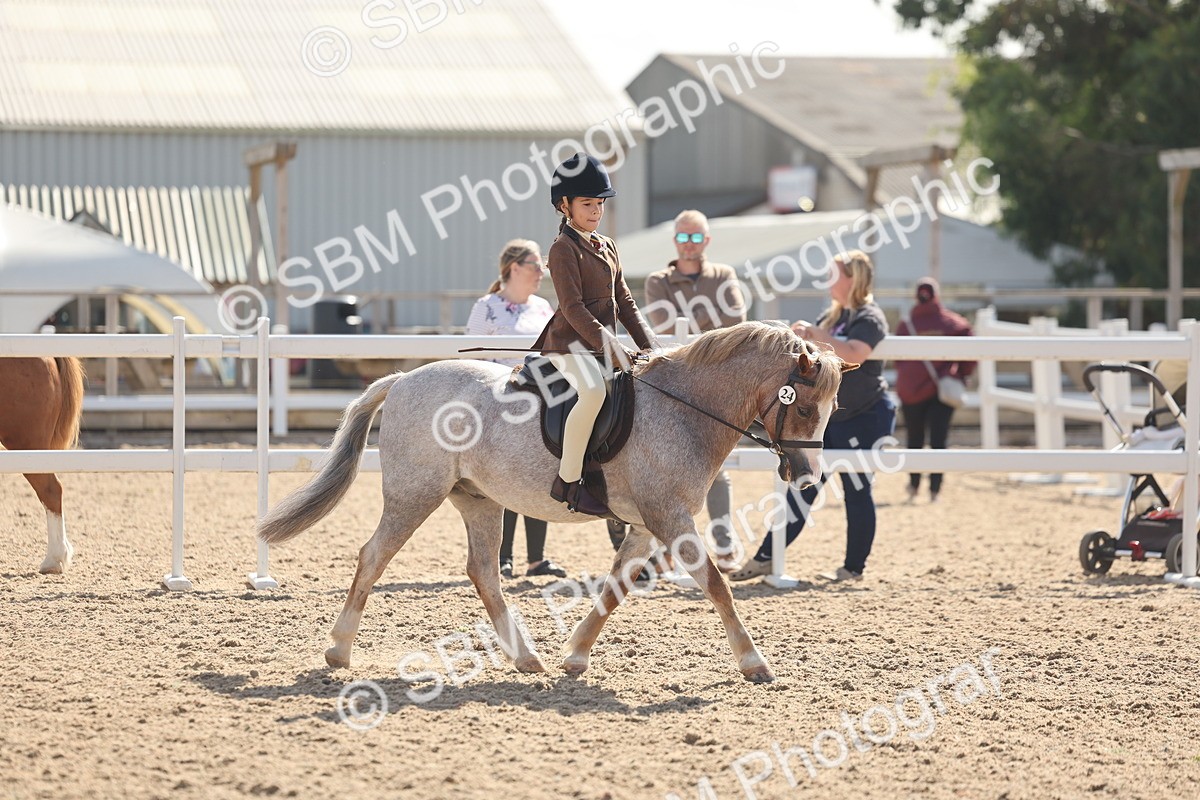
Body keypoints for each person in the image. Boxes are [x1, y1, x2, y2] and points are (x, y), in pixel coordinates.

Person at [730, 250, 895, 583]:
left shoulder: (869, 317)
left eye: (834, 274)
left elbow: (856, 353)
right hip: (829, 417)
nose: (828, 280)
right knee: (803, 485)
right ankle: (766, 557)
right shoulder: (832, 316)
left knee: (857, 490)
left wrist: (817, 334)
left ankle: (853, 568)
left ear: (853, 278)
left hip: (864, 415)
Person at [608, 209, 746, 571]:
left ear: (707, 240)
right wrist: (713, 326)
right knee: (660, 468)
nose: (689, 244)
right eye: (683, 237)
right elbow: (664, 323)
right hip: (671, 383)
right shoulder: (659, 280)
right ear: (675, 241)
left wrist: (695, 331)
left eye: (696, 237)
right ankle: (664, 550)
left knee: (714, 466)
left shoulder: (723, 274)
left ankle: (722, 541)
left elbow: (736, 321)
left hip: (715, 386)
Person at [532, 153, 657, 518]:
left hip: (601, 347)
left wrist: (652, 347)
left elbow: (626, 302)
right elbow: (572, 308)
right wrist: (611, 343)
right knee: (593, 393)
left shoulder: (607, 245)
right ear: (565, 205)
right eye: (587, 203)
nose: (596, 210)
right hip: (568, 346)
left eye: (600, 203)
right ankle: (568, 481)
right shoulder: (562, 248)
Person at [465, 239, 566, 579]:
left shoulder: (542, 308)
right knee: (504, 476)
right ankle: (503, 557)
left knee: (539, 473)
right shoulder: (486, 307)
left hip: (539, 400)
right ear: (514, 268)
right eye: (536, 265)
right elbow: (471, 358)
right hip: (498, 402)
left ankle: (536, 559)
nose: (541, 272)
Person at [893, 277, 975, 503]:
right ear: (937, 296)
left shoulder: (907, 325)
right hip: (941, 389)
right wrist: (960, 375)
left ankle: (913, 485)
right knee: (939, 440)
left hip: (911, 390)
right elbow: (971, 350)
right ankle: (935, 490)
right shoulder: (952, 323)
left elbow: (897, 358)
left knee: (914, 439)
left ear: (916, 297)